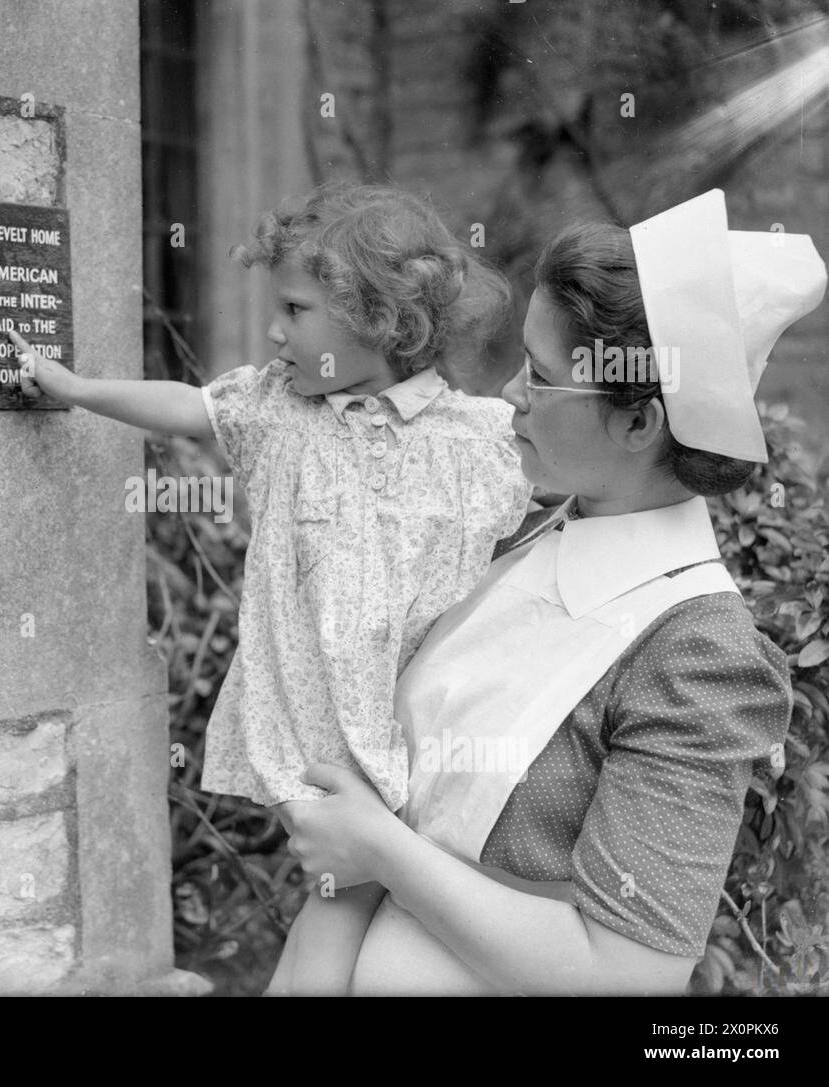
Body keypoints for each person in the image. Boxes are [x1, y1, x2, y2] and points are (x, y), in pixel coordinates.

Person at [268, 188, 827, 994]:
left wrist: (377, 848)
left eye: (544, 376)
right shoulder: (531, 529)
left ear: (641, 423)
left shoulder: (697, 656)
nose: (509, 395)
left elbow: (631, 975)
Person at [10, 182, 531, 990]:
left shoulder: (478, 435)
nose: (273, 330)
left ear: (382, 321)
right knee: (344, 891)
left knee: (349, 905)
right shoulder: (279, 411)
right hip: (318, 731)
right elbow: (189, 405)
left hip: (427, 730)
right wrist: (75, 390)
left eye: (296, 310)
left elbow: (562, 501)